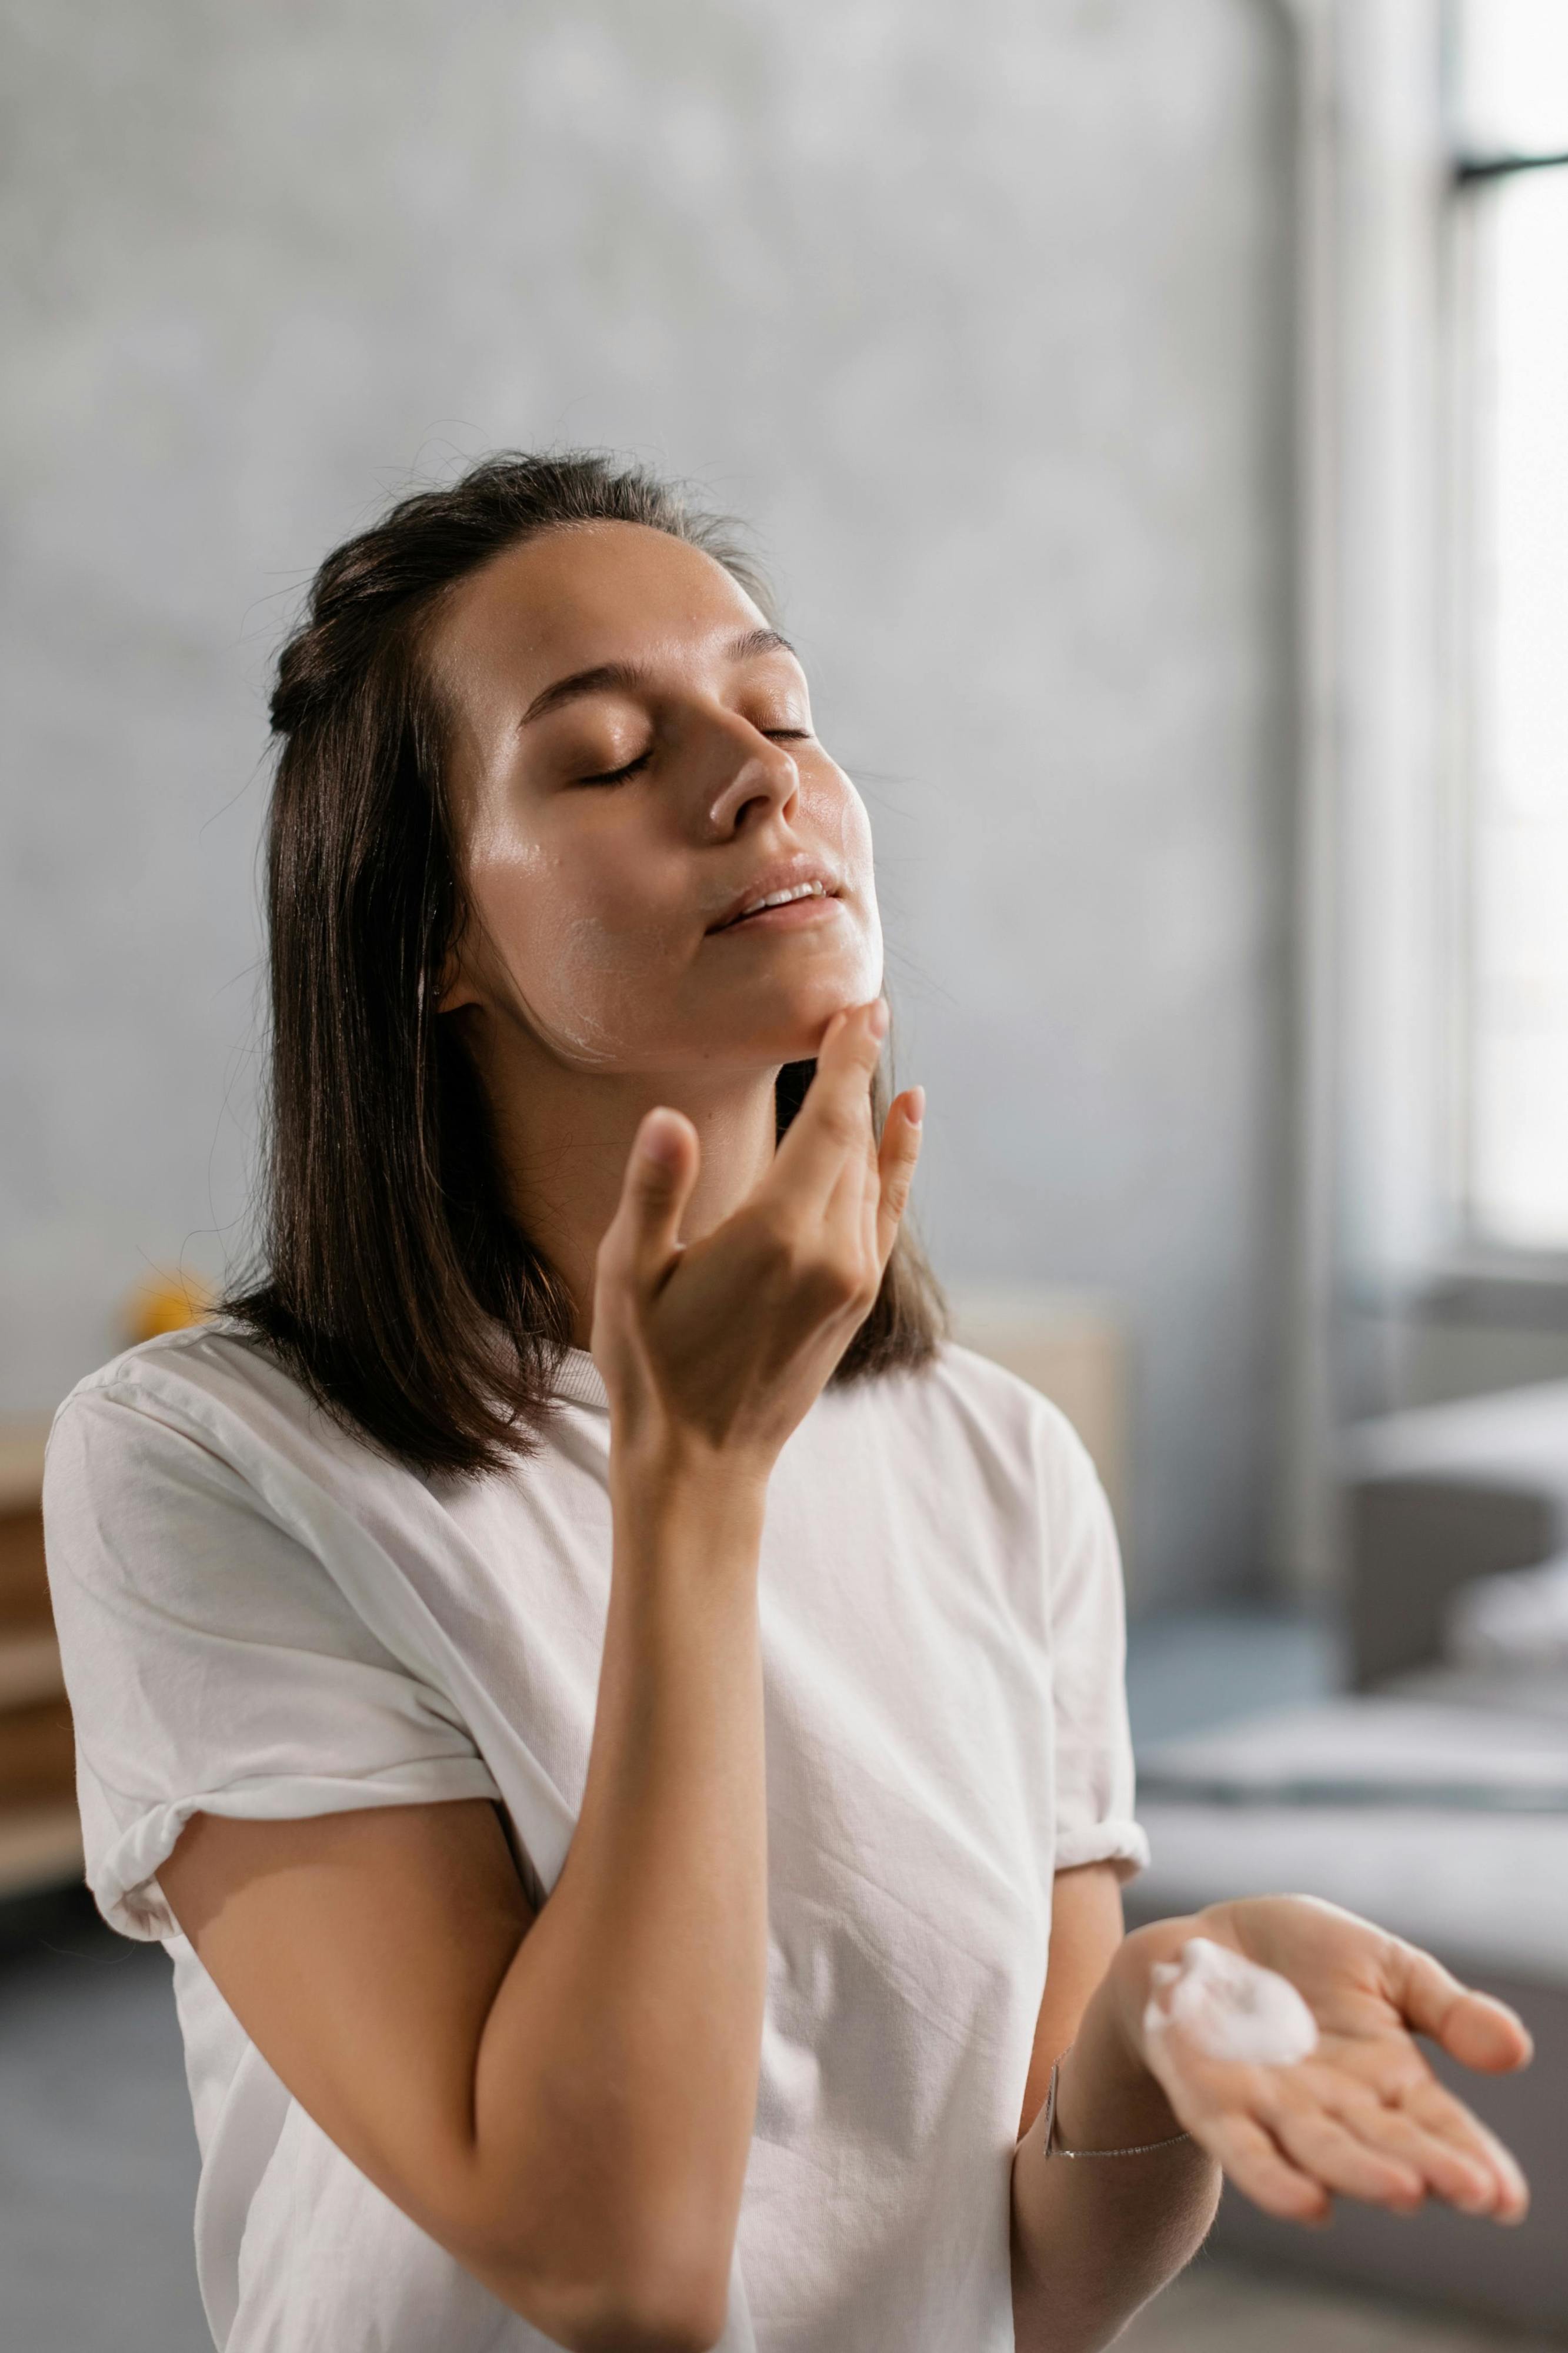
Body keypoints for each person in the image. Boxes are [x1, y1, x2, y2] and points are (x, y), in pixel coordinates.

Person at [43, 453, 1530, 2353]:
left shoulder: (1001, 1464)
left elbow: (1030, 2283)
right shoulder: (203, 1463)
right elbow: (610, 2271)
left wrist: (1166, 2010)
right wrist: (696, 1493)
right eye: (601, 755)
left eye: (781, 710)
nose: (759, 777)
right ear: (425, 940)